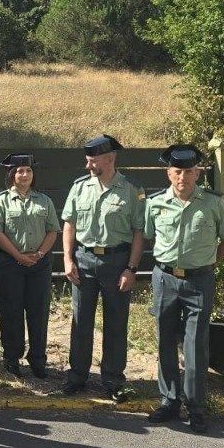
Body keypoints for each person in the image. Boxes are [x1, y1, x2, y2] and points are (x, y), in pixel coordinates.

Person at [144, 144, 224, 434]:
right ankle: (169, 401)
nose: (183, 176)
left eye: (189, 171)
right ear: (168, 173)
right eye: (177, 171)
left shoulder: (212, 203)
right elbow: (150, 236)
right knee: (165, 340)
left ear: (197, 173)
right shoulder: (155, 203)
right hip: (165, 278)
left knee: (196, 344)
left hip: (199, 281)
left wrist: (207, 265)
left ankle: (196, 406)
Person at [61, 134, 146, 399]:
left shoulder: (132, 190)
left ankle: (113, 381)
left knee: (116, 323)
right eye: (87, 161)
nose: (89, 166)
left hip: (116, 262)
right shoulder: (80, 187)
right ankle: (77, 377)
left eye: (93, 161)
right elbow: (70, 224)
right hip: (84, 260)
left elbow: (138, 233)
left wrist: (131, 269)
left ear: (110, 159)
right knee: (80, 321)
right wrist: (67, 258)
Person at [0, 154, 61, 380]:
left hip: (39, 263)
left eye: (28, 171)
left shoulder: (44, 201)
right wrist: (18, 255)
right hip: (10, 263)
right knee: (11, 311)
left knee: (39, 312)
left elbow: (52, 230)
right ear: (11, 175)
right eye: (20, 171)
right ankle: (12, 358)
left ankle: (38, 360)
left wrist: (38, 254)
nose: (25, 175)